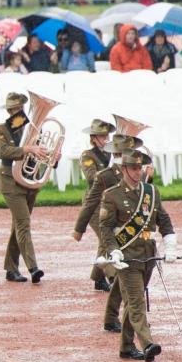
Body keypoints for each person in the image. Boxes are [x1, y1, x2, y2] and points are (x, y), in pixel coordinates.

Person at [99, 150, 176, 362]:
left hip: (147, 255)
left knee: (134, 300)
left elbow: (163, 219)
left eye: (140, 168)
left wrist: (170, 244)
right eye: (133, 168)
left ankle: (126, 346)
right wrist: (113, 250)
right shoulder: (112, 195)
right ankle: (148, 343)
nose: (138, 172)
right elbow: (105, 228)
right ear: (124, 169)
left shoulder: (151, 192)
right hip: (125, 258)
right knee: (136, 301)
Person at [73, 133, 144, 334]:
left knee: (125, 275)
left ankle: (112, 317)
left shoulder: (139, 173)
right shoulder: (105, 176)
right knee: (124, 276)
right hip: (111, 226)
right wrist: (79, 228)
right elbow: (91, 202)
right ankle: (135, 321)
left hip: (132, 230)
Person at [0, 93, 52, 284]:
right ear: (9, 111)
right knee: (23, 223)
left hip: (27, 181)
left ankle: (11, 268)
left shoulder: (33, 129)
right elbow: (1, 151)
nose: (17, 112)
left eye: (20, 109)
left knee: (18, 225)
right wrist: (27, 149)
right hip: (10, 180)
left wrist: (52, 157)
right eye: (14, 110)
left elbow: (39, 154)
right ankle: (33, 267)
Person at [71, 119, 116, 292]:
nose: (105, 138)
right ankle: (113, 276)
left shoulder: (113, 154)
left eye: (107, 135)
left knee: (105, 241)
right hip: (95, 203)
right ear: (93, 138)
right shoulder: (87, 155)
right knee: (107, 239)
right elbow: (91, 177)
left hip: (111, 202)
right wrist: (112, 171)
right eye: (101, 136)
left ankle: (98, 278)